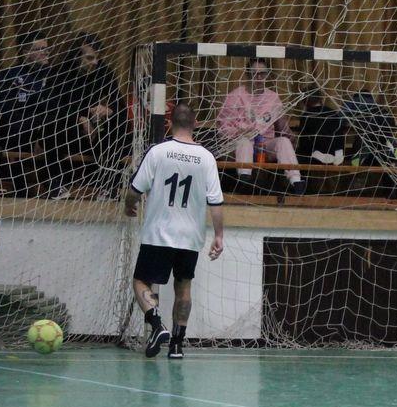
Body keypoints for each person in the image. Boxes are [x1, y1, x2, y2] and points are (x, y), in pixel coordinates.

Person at [124, 103, 225, 360]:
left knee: (141, 281)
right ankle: (177, 346)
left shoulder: (158, 152)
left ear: (169, 122)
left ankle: (157, 325)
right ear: (195, 123)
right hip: (190, 237)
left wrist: (129, 206)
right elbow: (215, 203)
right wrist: (219, 236)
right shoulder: (206, 157)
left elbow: (135, 189)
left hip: (158, 233)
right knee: (184, 287)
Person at [48, 33, 127, 198]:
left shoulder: (104, 72)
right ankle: (56, 184)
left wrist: (107, 110)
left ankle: (108, 185)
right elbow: (52, 108)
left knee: (119, 126)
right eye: (90, 58)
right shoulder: (59, 74)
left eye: (97, 58)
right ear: (76, 57)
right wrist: (79, 118)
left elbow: (120, 107)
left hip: (97, 133)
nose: (95, 62)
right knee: (52, 126)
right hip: (68, 131)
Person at [217, 57, 303, 194]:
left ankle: (296, 182)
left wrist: (291, 137)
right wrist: (240, 132)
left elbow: (282, 128)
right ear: (247, 74)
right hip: (240, 144)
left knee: (284, 142)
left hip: (265, 145)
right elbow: (223, 128)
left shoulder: (273, 98)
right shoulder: (235, 96)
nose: (258, 78)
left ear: (267, 75)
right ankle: (245, 180)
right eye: (254, 74)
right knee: (244, 142)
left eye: (262, 74)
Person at [0, 32, 52, 184]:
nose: (46, 52)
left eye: (47, 48)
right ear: (26, 53)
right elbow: (4, 110)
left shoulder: (55, 75)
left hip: (46, 129)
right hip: (19, 129)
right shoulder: (10, 75)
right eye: (40, 49)